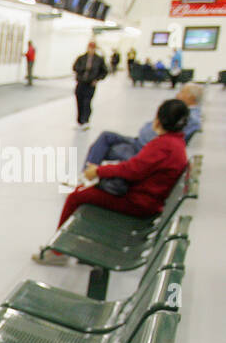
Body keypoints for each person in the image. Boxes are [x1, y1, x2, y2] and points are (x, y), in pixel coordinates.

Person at [36, 99, 190, 264]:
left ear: (159, 120)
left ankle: (58, 254)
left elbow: (131, 170)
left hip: (138, 203)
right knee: (89, 193)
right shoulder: (176, 144)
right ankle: (78, 247)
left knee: (77, 196)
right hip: (148, 200)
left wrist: (98, 171)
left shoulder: (163, 145)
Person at [80, 83, 202, 173]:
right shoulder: (181, 112)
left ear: (190, 97)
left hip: (142, 149)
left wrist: (152, 126)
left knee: (99, 148)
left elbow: (160, 135)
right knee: (105, 137)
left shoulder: (190, 118)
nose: (178, 94)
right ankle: (86, 173)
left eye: (182, 92)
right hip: (140, 142)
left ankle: (87, 174)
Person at [72, 41, 107, 129]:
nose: (91, 50)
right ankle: (79, 121)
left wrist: (97, 79)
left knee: (87, 103)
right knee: (79, 101)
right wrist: (81, 72)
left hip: (90, 84)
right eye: (90, 48)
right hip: (81, 83)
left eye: (93, 48)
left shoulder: (99, 60)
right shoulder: (81, 58)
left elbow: (104, 71)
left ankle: (85, 121)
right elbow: (75, 67)